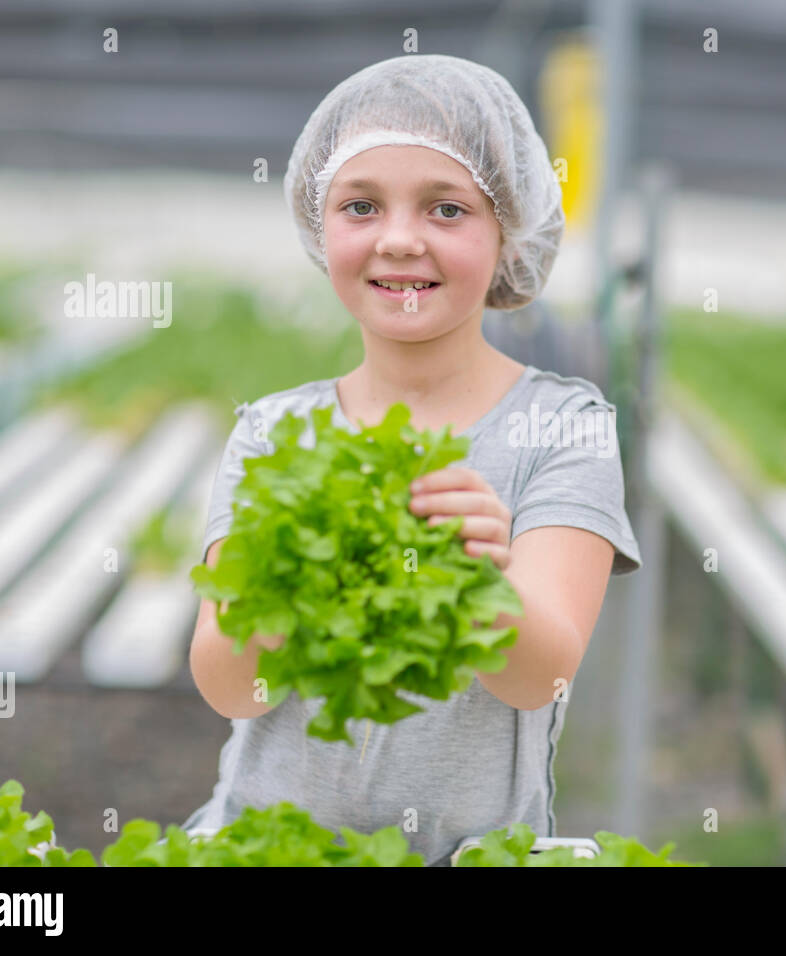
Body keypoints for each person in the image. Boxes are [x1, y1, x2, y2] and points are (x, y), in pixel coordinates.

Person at [182, 54, 642, 866]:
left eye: (446, 209)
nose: (400, 239)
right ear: (318, 227)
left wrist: (479, 580)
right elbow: (231, 685)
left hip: (472, 853)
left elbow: (542, 675)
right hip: (266, 850)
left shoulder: (564, 426)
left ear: (509, 231)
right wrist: (288, 566)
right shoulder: (274, 432)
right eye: (361, 206)